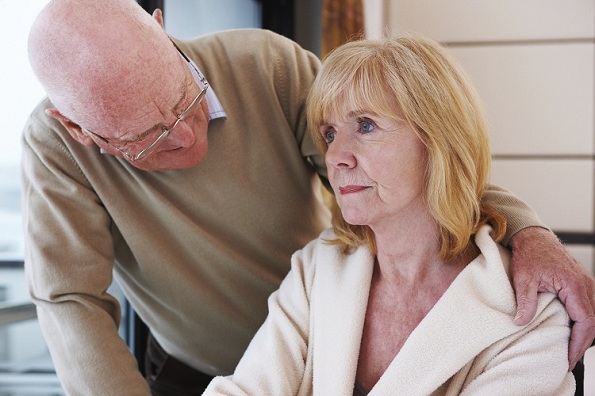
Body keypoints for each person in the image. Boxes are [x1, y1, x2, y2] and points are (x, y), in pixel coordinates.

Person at [22, 0, 593, 394]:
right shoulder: (315, 277)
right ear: (78, 130)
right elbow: (70, 300)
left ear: (160, 26)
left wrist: (526, 229)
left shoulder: (267, 67)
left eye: (184, 99)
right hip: (197, 368)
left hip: (315, 350)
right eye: (145, 138)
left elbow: (415, 172)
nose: (185, 136)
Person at [204, 34, 577, 395]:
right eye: (330, 133)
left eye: (365, 126)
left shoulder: (531, 312)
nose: (335, 156)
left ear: (439, 141)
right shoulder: (316, 269)